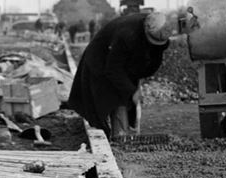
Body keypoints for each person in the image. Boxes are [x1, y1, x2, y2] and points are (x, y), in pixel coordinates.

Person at [67, 11, 176, 139]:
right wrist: (132, 91)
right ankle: (118, 137)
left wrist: (140, 77)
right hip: (100, 62)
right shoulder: (126, 35)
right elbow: (113, 70)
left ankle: (123, 134)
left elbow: (155, 55)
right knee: (114, 99)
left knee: (125, 94)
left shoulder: (154, 29)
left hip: (124, 63)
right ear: (146, 29)